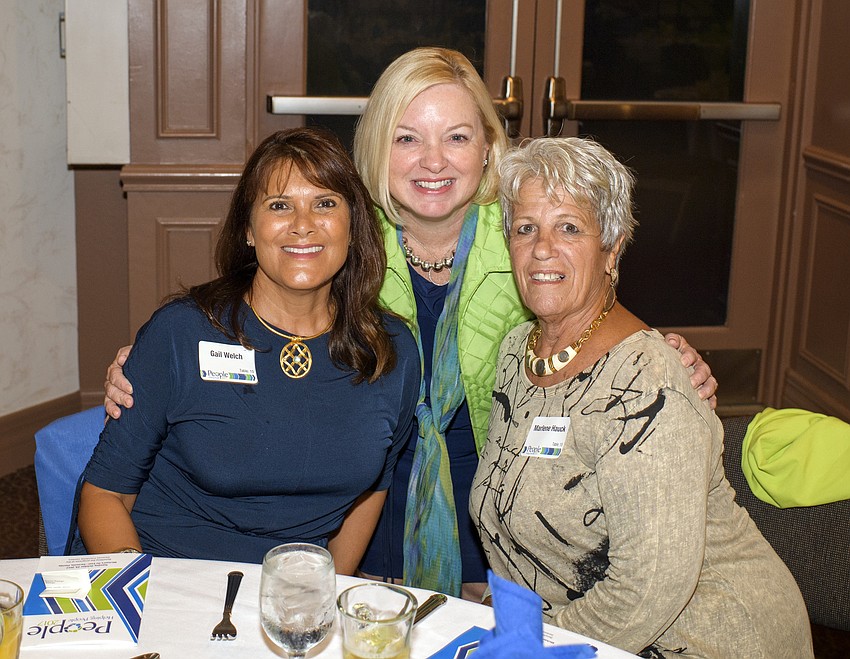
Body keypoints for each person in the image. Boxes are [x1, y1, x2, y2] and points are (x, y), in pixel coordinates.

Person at [101, 48, 717, 599]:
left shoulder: (528, 237)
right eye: (406, 138)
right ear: (378, 149)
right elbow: (255, 325)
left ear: (488, 149)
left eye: (455, 137)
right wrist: (160, 363)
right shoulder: (337, 236)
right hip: (357, 498)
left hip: (493, 503)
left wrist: (658, 354)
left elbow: (592, 317)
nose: (432, 162)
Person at [469, 137, 813, 657]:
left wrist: (534, 644)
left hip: (703, 638)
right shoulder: (518, 352)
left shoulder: (647, 384)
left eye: (568, 227)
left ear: (612, 249)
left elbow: (644, 593)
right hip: (579, 633)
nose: (542, 248)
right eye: (525, 228)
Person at [77, 128, 420, 570]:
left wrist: (323, 588)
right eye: (280, 205)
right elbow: (104, 494)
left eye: (325, 203)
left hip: (289, 596)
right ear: (248, 230)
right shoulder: (183, 333)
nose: (303, 224)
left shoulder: (390, 352)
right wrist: (143, 598)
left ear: (354, 227)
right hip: (167, 574)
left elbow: (374, 488)